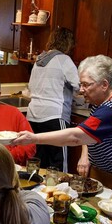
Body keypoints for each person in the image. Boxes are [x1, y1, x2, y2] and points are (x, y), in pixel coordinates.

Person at [14, 55, 112, 224]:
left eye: (85, 84)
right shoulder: (102, 99)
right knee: (102, 220)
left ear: (104, 84)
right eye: (80, 83)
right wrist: (86, 154)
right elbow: (88, 130)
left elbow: (77, 136)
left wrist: (34, 138)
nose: (80, 90)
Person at [26, 27, 80, 172]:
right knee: (58, 163)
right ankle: (59, 192)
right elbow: (80, 86)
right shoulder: (64, 60)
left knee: (39, 162)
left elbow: (31, 87)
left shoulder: (39, 60)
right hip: (54, 116)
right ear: (68, 43)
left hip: (33, 116)